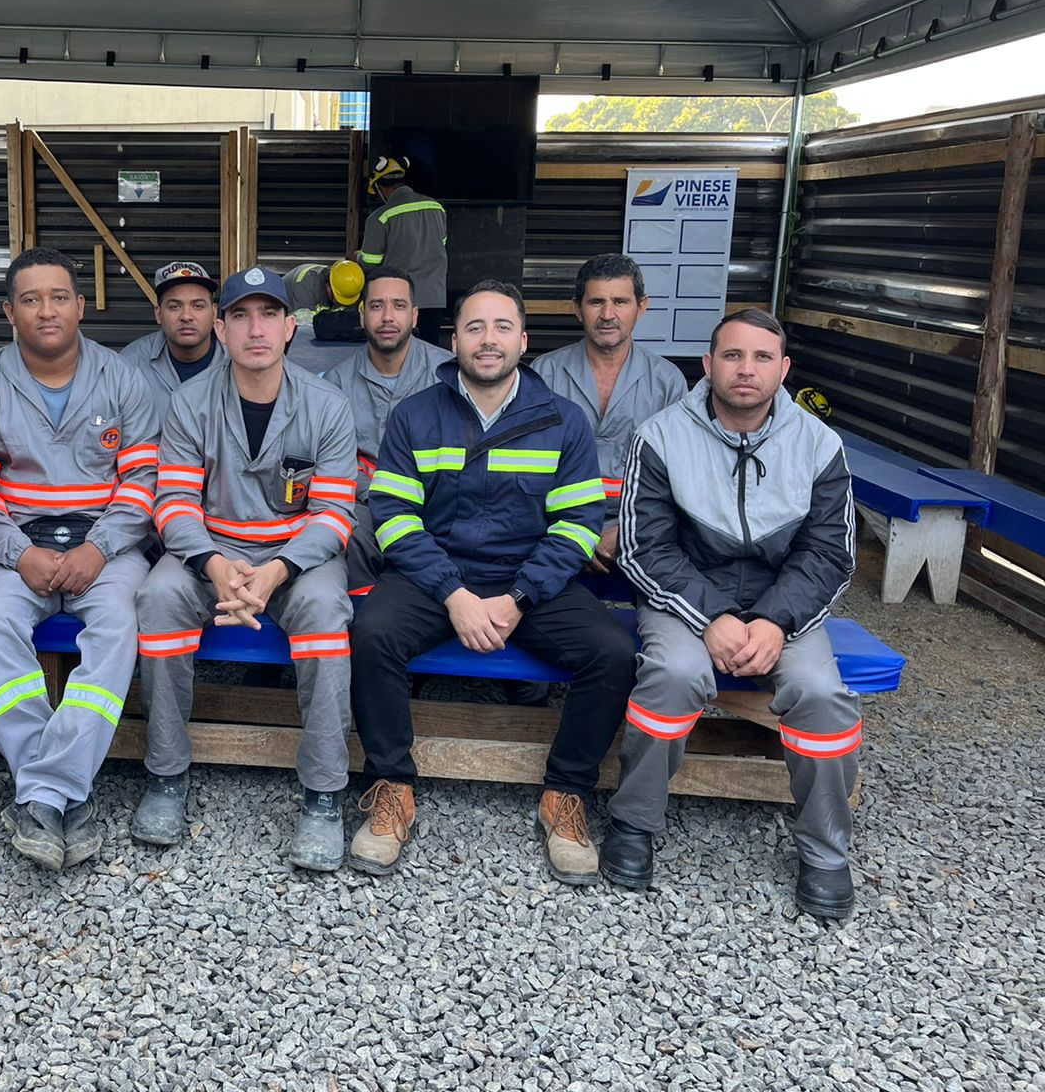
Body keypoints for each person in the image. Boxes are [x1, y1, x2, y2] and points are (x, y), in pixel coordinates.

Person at [348, 279, 634, 882]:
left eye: (502, 327)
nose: (487, 339)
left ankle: (566, 793)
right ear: (453, 340)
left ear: (523, 341)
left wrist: (518, 598)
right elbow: (393, 517)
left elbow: (579, 525)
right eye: (474, 327)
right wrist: (453, 595)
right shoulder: (415, 415)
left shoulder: (563, 421)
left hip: (528, 579)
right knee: (372, 633)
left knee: (611, 652)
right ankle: (391, 784)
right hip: (434, 575)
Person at [609, 309, 859, 920]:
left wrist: (774, 621)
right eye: (732, 356)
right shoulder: (661, 435)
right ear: (708, 364)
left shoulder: (819, 444)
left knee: (821, 693)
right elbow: (645, 548)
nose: (746, 369)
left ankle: (825, 852)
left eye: (762, 357)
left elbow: (830, 552)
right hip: (686, 598)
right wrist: (713, 617)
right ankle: (634, 822)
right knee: (673, 676)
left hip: (784, 604)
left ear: (784, 369)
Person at [133, 265, 359, 871]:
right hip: (211, 554)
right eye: (240, 315)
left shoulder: (327, 405)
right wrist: (213, 565)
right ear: (222, 328)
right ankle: (166, 775)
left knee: (325, 610)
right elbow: (173, 503)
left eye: (268, 315)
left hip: (297, 559)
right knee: (158, 597)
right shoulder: (189, 403)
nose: (255, 329)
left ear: (290, 328)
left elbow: (334, 514)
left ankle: (323, 794)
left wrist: (276, 570)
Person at [0, 246, 160, 872]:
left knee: (120, 624)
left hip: (106, 546)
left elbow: (143, 480)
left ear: (80, 305)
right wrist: (18, 553)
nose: (46, 311)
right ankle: (56, 790)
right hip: (16, 545)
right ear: (9, 312)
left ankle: (42, 795)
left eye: (58, 297)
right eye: (30, 300)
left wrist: (101, 546)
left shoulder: (123, 379)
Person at [532, 253, 688, 573]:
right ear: (577, 308)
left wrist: (628, 532)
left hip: (642, 534)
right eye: (596, 302)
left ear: (641, 307)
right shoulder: (544, 374)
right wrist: (573, 535)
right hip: (554, 531)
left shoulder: (667, 381)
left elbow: (679, 480)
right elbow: (526, 475)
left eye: (620, 302)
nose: (607, 315)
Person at [324, 264, 451, 591]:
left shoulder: (449, 375)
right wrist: (379, 496)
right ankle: (361, 609)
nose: (388, 317)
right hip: (367, 505)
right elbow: (332, 463)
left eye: (399, 305)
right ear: (362, 314)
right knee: (343, 529)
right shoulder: (336, 383)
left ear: (415, 315)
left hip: (436, 504)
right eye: (377, 306)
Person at [119, 261, 227, 420]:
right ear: (159, 314)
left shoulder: (236, 360)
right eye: (174, 306)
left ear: (214, 312)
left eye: (198, 306)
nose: (186, 316)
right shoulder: (129, 364)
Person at [358, 156, 449, 343]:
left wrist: (359, 257)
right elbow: (441, 244)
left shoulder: (380, 217)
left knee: (400, 353)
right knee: (430, 351)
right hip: (434, 298)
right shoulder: (437, 208)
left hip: (400, 301)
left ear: (381, 188)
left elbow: (370, 264)